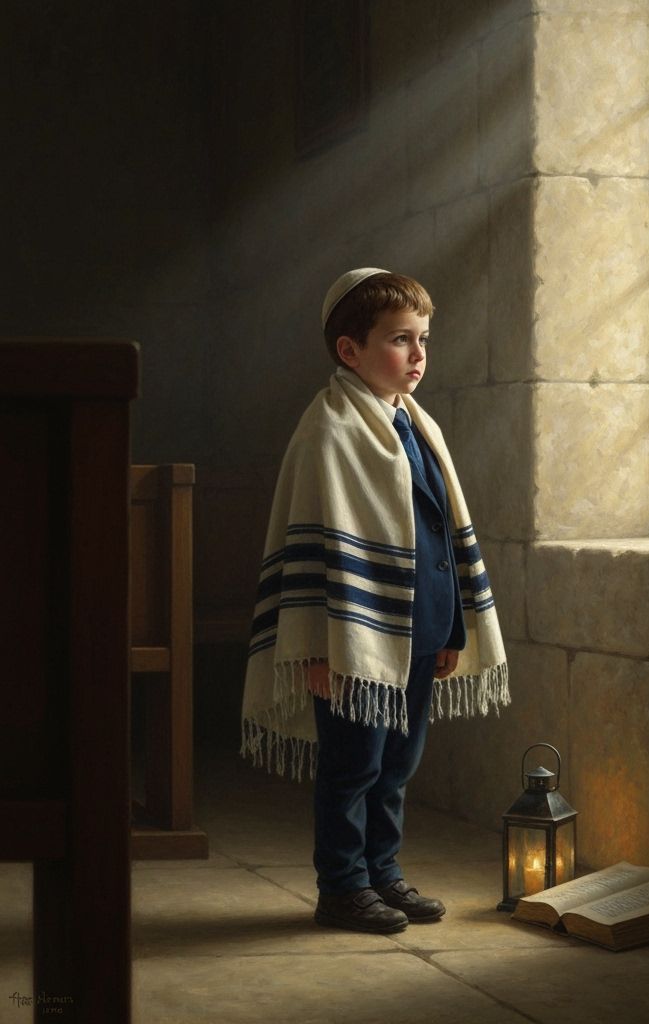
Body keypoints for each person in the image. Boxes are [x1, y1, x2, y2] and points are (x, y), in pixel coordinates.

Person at [240, 268, 509, 934]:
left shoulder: (418, 427)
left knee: (397, 763)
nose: (417, 355)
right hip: (353, 640)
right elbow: (316, 552)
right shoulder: (328, 432)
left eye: (423, 339)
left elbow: (439, 530)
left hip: (417, 631)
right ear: (350, 351)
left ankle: (383, 875)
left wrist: (450, 631)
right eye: (399, 340)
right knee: (352, 764)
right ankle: (342, 886)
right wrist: (316, 651)